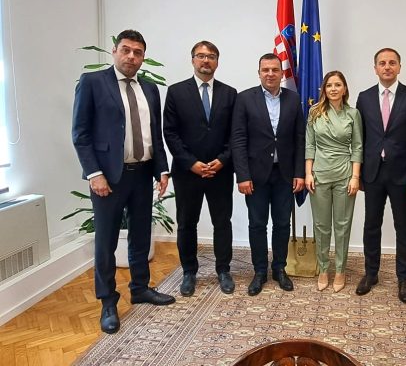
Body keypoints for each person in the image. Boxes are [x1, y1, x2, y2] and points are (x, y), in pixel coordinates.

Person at [72, 29, 175, 335]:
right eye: (126, 50)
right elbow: (80, 134)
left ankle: (140, 288)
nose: (132, 56)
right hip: (108, 178)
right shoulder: (92, 82)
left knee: (141, 235)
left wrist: (162, 170)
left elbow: (154, 134)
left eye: (138, 52)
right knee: (106, 242)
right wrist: (94, 174)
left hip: (142, 174)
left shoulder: (150, 89)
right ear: (115, 51)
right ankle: (108, 302)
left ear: (143, 57)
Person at [163, 41, 237, 297]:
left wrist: (223, 159)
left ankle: (223, 270)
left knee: (222, 222)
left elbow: (236, 133)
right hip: (187, 172)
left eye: (211, 56)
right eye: (201, 56)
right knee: (187, 223)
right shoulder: (176, 92)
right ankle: (189, 272)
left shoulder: (230, 94)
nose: (206, 60)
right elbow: (170, 133)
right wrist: (191, 163)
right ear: (193, 59)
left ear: (217, 61)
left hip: (220, 171)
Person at [355, 48, 406, 302]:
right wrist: (358, 172)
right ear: (375, 68)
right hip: (372, 172)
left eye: (392, 63)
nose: (387, 67)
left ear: (399, 67)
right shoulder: (364, 98)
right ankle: (370, 273)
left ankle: (403, 278)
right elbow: (359, 139)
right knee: (371, 225)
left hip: (402, 174)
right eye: (382, 63)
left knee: (403, 226)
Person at [231, 53, 305, 296]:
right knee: (257, 224)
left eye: (275, 69)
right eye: (266, 70)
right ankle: (260, 271)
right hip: (255, 175)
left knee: (282, 224)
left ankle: (279, 269)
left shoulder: (293, 99)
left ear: (282, 73)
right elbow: (238, 139)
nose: (270, 74)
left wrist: (299, 172)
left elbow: (300, 138)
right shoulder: (244, 99)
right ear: (259, 73)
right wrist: (242, 175)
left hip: (285, 174)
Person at [305, 71, 363, 293]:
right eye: (329, 85)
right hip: (319, 174)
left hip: (345, 175)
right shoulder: (315, 112)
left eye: (338, 85)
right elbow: (310, 145)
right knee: (321, 226)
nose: (333, 89)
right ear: (324, 89)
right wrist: (308, 173)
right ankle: (323, 269)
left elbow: (357, 146)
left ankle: (340, 270)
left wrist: (355, 177)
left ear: (344, 88)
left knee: (342, 225)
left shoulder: (353, 114)